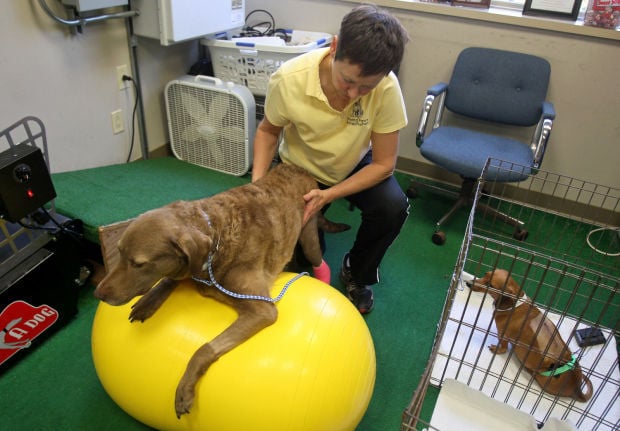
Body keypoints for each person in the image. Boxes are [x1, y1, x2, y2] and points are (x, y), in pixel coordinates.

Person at [251, 4, 410, 314]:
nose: (354, 94)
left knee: (392, 208)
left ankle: (356, 271)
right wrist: (257, 187)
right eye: (348, 81)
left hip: (354, 165)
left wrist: (329, 195)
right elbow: (268, 132)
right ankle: (314, 237)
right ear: (334, 47)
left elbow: (384, 164)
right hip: (299, 168)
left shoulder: (387, 88)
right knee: (297, 263)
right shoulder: (290, 79)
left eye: (367, 87)